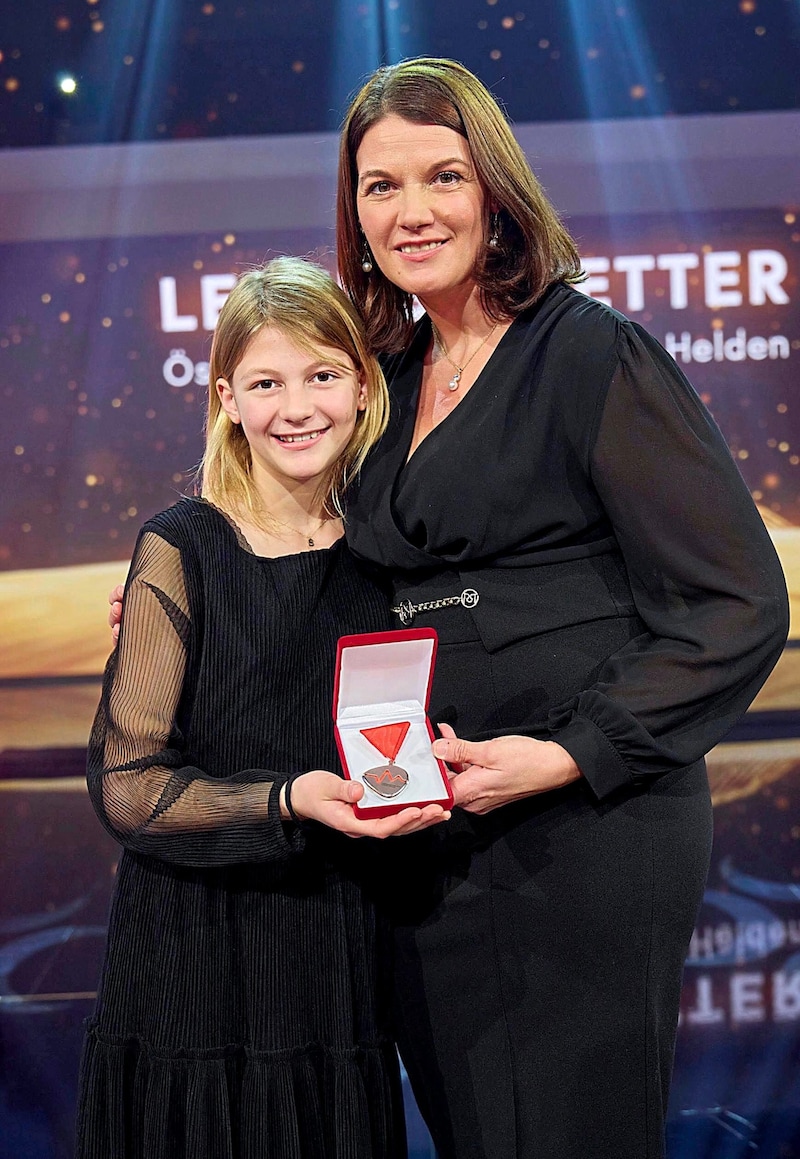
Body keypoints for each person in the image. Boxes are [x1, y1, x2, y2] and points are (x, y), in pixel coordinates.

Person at [334, 57, 790, 1159]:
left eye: (440, 175)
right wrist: (180, 595)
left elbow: (735, 601)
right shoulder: (378, 377)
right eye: (378, 185)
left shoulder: (588, 353)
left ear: (492, 189)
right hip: (420, 835)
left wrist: (569, 753)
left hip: (579, 834)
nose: (410, 211)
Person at [79, 256, 450, 1159]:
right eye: (266, 382)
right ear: (225, 398)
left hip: (331, 951)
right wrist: (284, 800)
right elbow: (129, 787)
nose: (297, 406)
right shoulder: (181, 544)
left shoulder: (391, 548)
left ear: (363, 388)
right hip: (193, 955)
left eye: (323, 375)